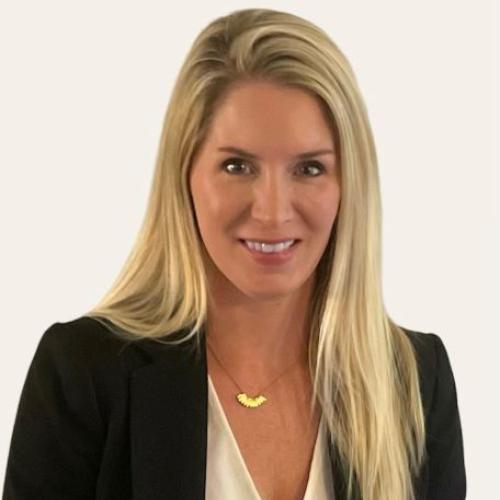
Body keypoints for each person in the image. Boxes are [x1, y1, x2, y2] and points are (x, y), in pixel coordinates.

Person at [2, 7, 466, 500]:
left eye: (309, 169)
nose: (271, 212)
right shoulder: (85, 373)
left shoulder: (414, 379)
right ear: (185, 173)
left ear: (349, 184)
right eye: (237, 166)